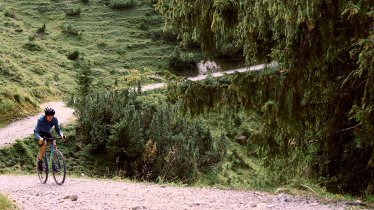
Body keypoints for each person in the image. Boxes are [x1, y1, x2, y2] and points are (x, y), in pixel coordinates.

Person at [34, 107, 65, 171]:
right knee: (44, 144)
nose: (50, 118)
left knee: (54, 144)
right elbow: (36, 131)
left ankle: (54, 164)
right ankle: (39, 162)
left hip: (47, 132)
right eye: (49, 116)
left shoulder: (55, 119)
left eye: (52, 116)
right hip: (39, 133)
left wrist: (61, 135)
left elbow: (58, 129)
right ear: (46, 115)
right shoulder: (40, 120)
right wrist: (39, 138)